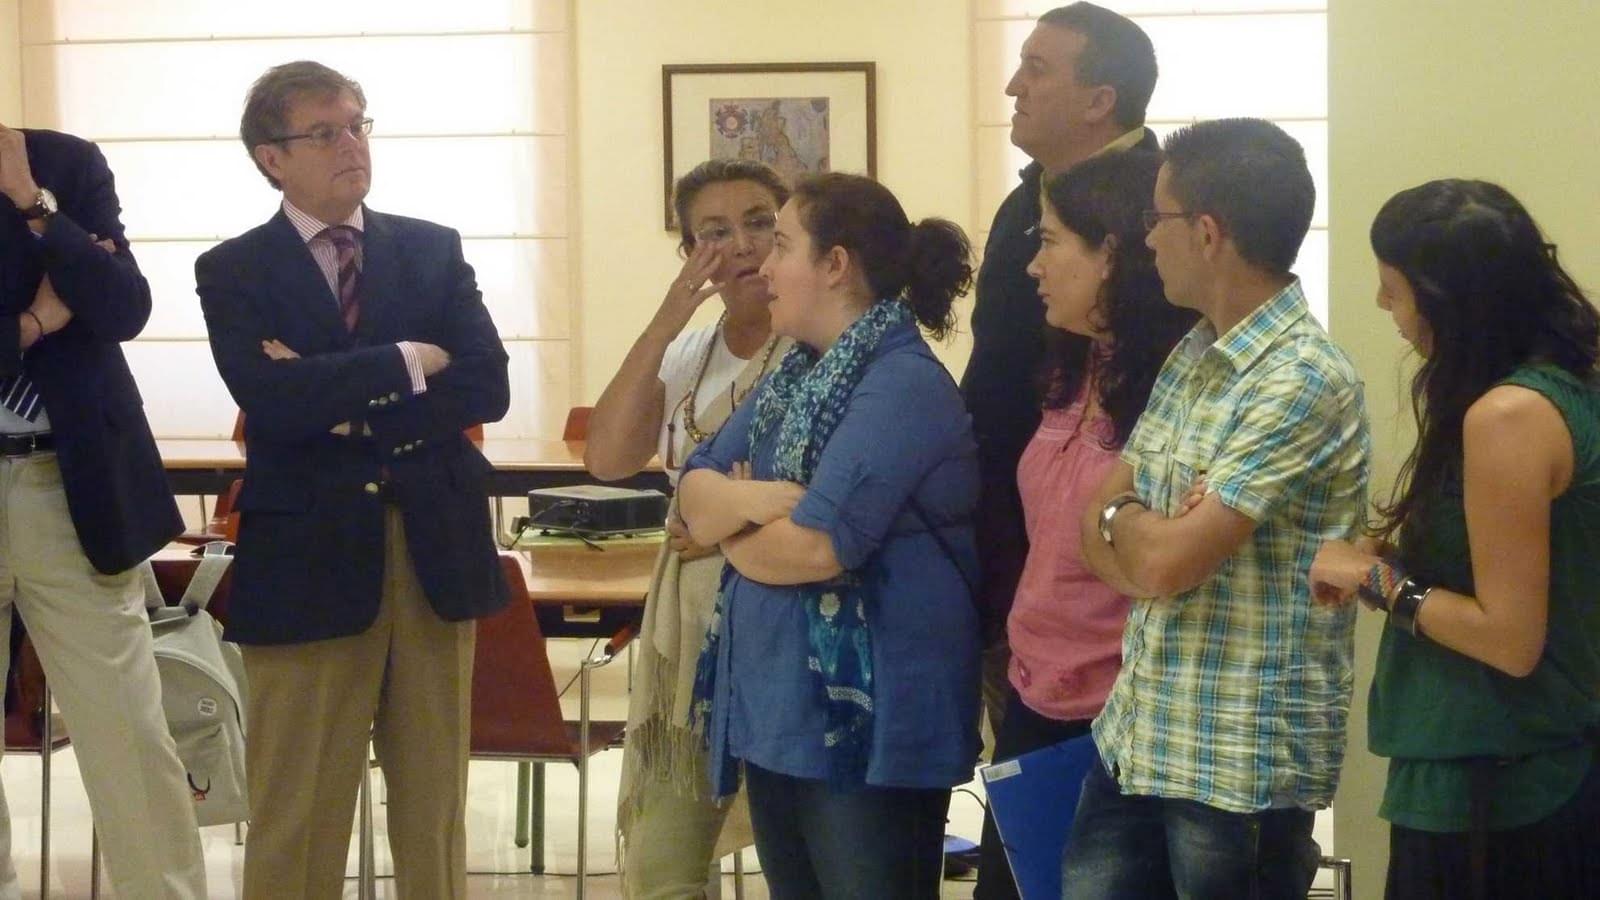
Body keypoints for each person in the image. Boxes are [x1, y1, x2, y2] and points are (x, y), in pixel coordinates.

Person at [195, 61, 510, 899]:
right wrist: (410, 360)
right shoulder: (233, 269)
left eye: (358, 124)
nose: (351, 144)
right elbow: (271, 400)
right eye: (324, 131)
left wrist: (339, 402)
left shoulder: (431, 248)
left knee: (434, 808)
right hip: (307, 555)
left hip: (434, 549)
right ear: (271, 158)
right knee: (297, 811)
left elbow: (486, 386)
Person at [1068, 118, 1370, 899]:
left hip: (1236, 768)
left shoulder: (1300, 376)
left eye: (1156, 218)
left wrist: (1139, 531)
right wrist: (1137, 527)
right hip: (1139, 736)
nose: (1146, 240)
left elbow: (1167, 564)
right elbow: (1095, 521)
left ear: (1206, 233)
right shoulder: (1197, 350)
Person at [677, 173, 980, 898]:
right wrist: (753, 502)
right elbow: (692, 492)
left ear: (836, 264)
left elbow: (818, 548)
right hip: (778, 715)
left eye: (781, 245)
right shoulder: (795, 377)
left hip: (869, 728)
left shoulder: (901, 382)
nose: (764, 266)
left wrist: (730, 531)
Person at [1310, 179, 1600, 900]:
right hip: (1516, 775)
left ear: (1449, 301)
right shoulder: (1559, 382)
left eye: (1393, 288)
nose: (1383, 303)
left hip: (1500, 790)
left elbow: (1510, 638)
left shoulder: (1509, 415)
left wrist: (1373, 579)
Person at [972, 150, 1196, 899]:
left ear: (1110, 254)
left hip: (1125, 706)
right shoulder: (1072, 367)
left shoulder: (1180, 385)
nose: (1033, 266)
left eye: (1049, 241)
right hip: (1035, 685)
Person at [0, 124, 207, 899]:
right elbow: (75, 300)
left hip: (69, 478)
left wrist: (33, 204)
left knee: (127, 727)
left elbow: (122, 306)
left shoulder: (61, 163)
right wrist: (33, 323)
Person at [586, 158, 790, 898]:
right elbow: (608, 457)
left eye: (760, 223)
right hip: (689, 626)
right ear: (690, 253)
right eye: (715, 233)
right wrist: (667, 319)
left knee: (801, 861)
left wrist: (724, 527)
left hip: (786, 627)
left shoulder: (822, 349)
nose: (743, 245)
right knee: (663, 867)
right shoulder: (689, 352)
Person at [961, 1, 1160, 738]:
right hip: (1012, 544)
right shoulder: (1023, 200)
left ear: (1100, 99)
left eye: (1037, 70)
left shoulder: (1160, 209)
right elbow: (996, 367)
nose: (1013, 86)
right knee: (1018, 768)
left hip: (1112, 616)